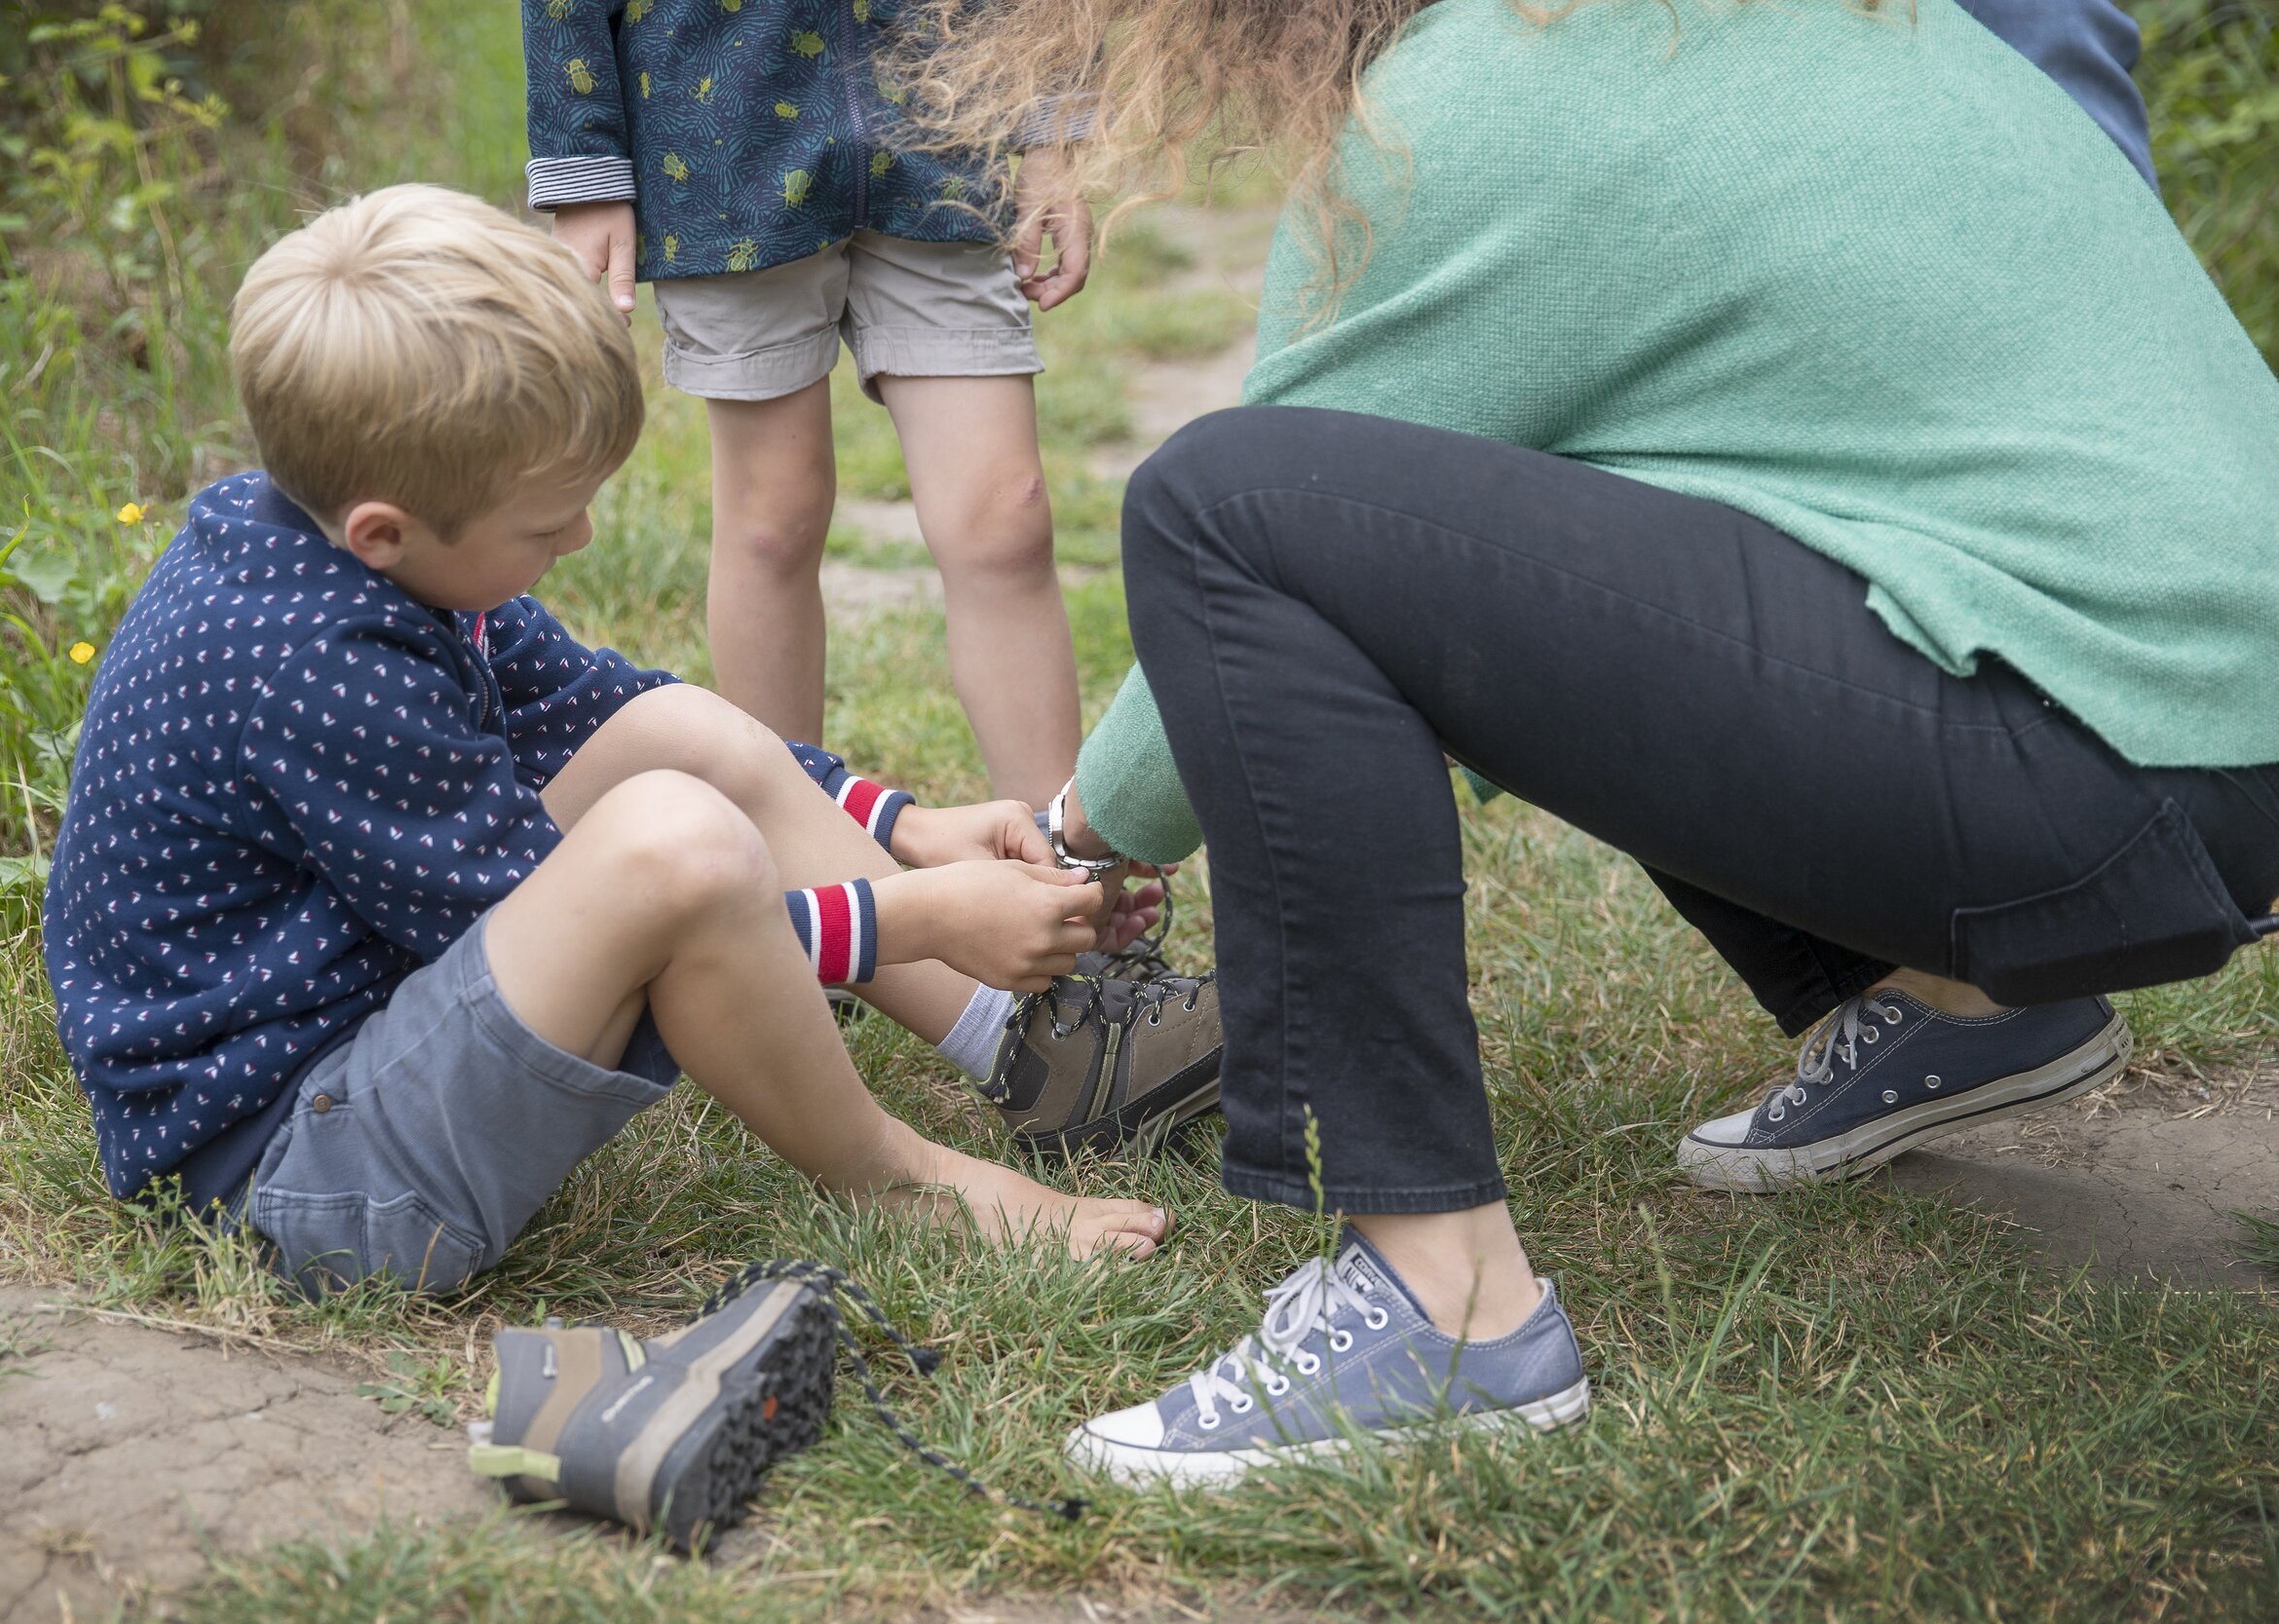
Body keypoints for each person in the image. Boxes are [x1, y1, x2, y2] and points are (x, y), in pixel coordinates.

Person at [909, 0, 2279, 1485]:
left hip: (2090, 761)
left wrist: (1068, 842)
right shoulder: (1820, 22)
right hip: (2203, 716)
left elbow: (1281, 555)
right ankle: (1958, 1002)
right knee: (1619, 502)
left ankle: (1440, 1309)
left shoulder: (1460, 109)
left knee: (1224, 507)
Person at [40, 185, 1181, 1300]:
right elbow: (645, 917)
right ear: (382, 531)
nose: (581, 538)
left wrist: (907, 828)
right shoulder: (315, 665)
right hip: (300, 1184)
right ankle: (898, 1180)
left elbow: (591, 701)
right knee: (674, 845)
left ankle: (1023, 1042)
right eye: (545, 524)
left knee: (671, 731)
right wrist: (920, 913)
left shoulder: (333, 534)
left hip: (365, 1048)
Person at [521, 0, 1094, 804]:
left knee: (1007, 516)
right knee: (772, 521)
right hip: (719, 162)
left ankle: (1064, 869)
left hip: (952, 136)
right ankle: (797, 865)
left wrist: (1050, 126)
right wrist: (584, 168)